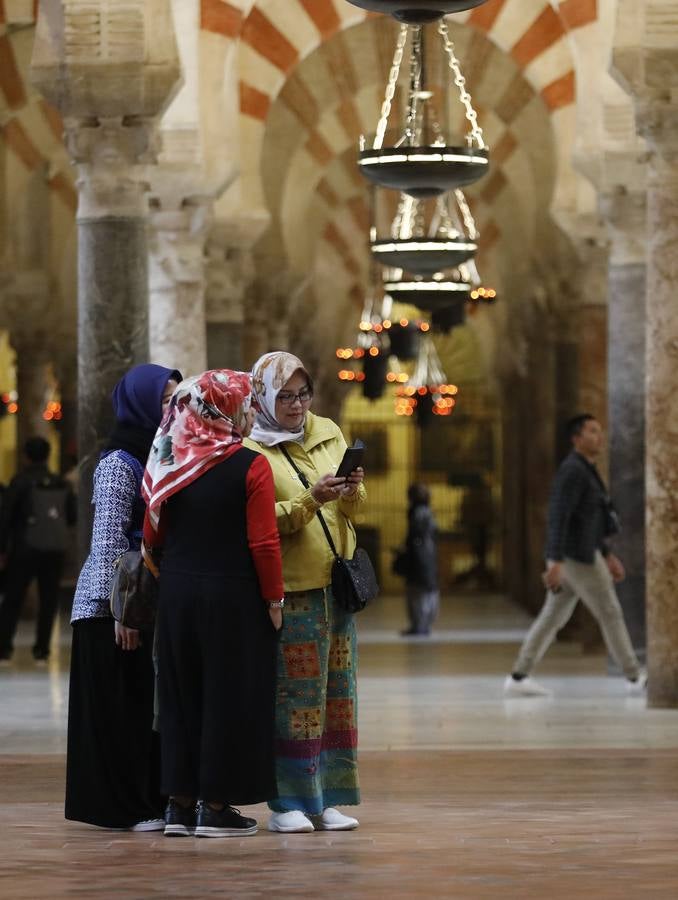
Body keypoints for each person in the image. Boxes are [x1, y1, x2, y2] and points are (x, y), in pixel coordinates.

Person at [143, 369, 284, 839]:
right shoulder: (250, 464)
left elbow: (153, 533)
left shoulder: (172, 459)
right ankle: (216, 807)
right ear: (224, 411)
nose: (250, 414)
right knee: (227, 695)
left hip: (178, 592)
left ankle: (179, 806)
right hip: (234, 596)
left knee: (180, 695)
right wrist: (274, 598)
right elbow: (263, 542)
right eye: (245, 406)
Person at [247, 351, 365, 834]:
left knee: (338, 695)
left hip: (336, 588)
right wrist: (310, 499)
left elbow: (351, 510)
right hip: (292, 591)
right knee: (295, 698)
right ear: (262, 398)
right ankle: (289, 802)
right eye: (285, 396)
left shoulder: (328, 432)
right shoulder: (251, 449)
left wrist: (351, 491)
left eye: (303, 394)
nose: (297, 405)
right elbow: (258, 522)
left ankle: (328, 798)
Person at [65, 363, 181, 831]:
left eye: (178, 398)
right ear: (141, 404)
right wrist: (122, 611)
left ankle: (146, 800)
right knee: (121, 711)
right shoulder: (119, 463)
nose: (174, 407)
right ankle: (125, 807)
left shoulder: (158, 453)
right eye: (166, 399)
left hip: (142, 602)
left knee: (141, 706)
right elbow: (109, 544)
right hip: (110, 607)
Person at [504, 414, 645, 698]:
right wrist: (555, 560)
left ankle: (519, 676)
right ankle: (633, 676)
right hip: (577, 558)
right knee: (610, 612)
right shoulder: (573, 471)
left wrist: (606, 554)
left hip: (579, 554)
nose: (599, 436)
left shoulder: (585, 469)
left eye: (600, 431)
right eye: (592, 431)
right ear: (576, 439)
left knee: (552, 617)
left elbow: (588, 520)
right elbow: (559, 516)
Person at [0, 436, 76, 664]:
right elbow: (71, 516)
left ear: (26, 456)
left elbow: (6, 517)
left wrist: (2, 548)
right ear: (47, 455)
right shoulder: (60, 483)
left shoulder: (20, 482)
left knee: (13, 598)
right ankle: (42, 650)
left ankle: (4, 648)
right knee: (49, 600)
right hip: (53, 549)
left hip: (24, 548)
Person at [401, 483, 439, 637]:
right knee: (427, 590)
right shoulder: (427, 512)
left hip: (419, 557)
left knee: (418, 591)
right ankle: (423, 625)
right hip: (428, 555)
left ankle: (419, 625)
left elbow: (415, 536)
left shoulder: (417, 513)